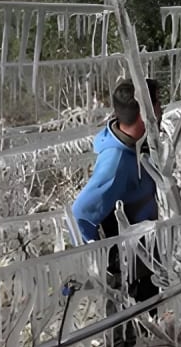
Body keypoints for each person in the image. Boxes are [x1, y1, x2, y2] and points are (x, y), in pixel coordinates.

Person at [70, 78, 162, 345]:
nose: (162, 109)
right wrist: (104, 263)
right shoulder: (118, 161)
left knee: (148, 329)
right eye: (158, 103)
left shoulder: (140, 145)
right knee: (131, 334)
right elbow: (81, 213)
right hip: (129, 267)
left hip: (145, 257)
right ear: (144, 112)